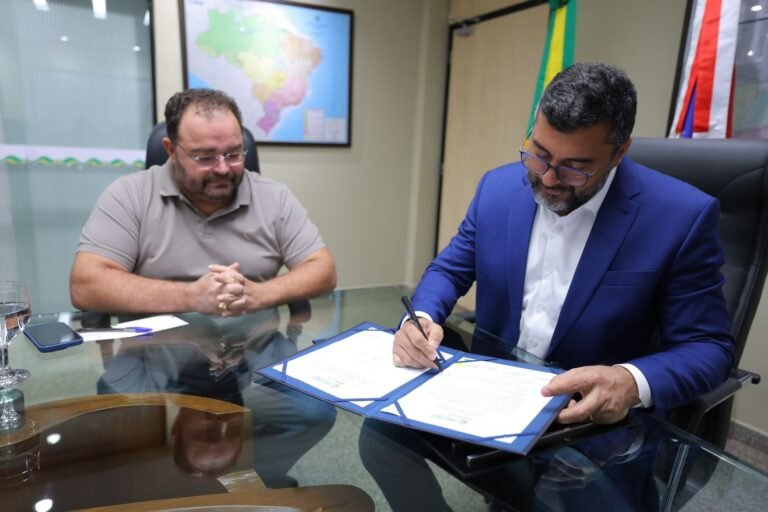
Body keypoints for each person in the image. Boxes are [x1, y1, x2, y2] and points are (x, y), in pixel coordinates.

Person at [360, 63, 734, 510]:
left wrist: (628, 382)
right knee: (380, 437)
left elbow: (709, 347)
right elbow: (449, 269)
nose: (549, 178)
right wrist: (420, 318)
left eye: (575, 167)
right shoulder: (498, 188)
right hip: (489, 399)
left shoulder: (680, 216)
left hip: (591, 431)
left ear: (619, 152)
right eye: (539, 154)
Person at [70, 88, 336, 317]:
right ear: (171, 150)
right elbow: (85, 285)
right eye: (205, 157)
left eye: (233, 153)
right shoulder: (130, 195)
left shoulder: (274, 197)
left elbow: (323, 270)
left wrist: (257, 295)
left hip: (256, 351)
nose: (223, 168)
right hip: (154, 356)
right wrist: (192, 297)